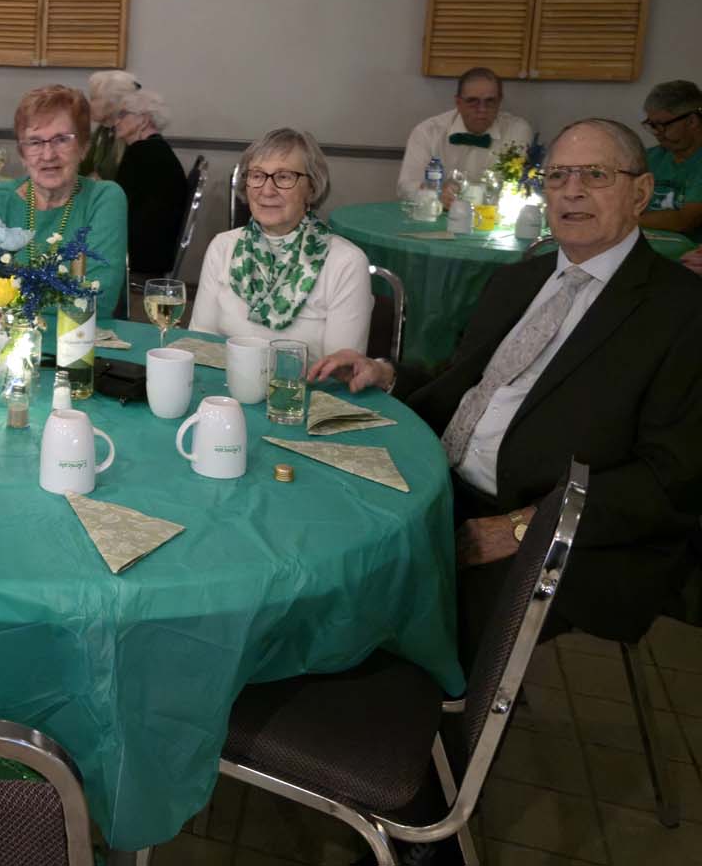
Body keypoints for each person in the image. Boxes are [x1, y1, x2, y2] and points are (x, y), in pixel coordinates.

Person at [312, 118, 702, 658]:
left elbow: (671, 477)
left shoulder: (682, 310)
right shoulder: (519, 280)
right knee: (319, 542)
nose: (571, 191)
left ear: (641, 192)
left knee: (380, 624)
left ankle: (426, 705)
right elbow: (461, 382)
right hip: (442, 487)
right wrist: (386, 373)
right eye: (558, 175)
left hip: (560, 531)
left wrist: (522, 528)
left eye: (595, 174)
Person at [190, 128, 371, 362]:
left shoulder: (345, 262)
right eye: (257, 176)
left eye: (284, 177)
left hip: (301, 385)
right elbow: (199, 342)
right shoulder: (223, 247)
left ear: (312, 188)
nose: (267, 190)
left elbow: (340, 371)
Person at [0, 84, 128, 320]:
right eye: (35, 142)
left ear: (84, 148)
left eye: (61, 140)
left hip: (76, 339)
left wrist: (6, 308)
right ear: (22, 155)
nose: (48, 155)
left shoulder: (103, 199)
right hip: (0, 338)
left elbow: (98, 297)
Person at [396, 68, 534, 204]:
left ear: (499, 102)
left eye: (490, 101)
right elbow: (406, 187)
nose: (482, 109)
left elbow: (520, 189)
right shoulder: (428, 132)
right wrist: (436, 194)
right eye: (472, 101)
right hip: (439, 213)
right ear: (458, 103)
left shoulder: (517, 132)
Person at [112, 89, 189, 277]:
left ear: (144, 120)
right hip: (157, 251)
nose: (116, 122)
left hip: (140, 254)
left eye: (123, 115)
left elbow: (116, 203)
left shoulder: (141, 153)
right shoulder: (157, 149)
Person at [636, 78, 702, 241]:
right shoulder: (649, 157)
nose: (657, 133)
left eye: (663, 124)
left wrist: (624, 220)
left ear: (692, 121)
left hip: (687, 252)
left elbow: (685, 221)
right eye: (652, 125)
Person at [80, 68, 139, 180]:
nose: (89, 104)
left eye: (94, 98)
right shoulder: (103, 130)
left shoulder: (131, 137)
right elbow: (83, 167)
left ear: (113, 103)